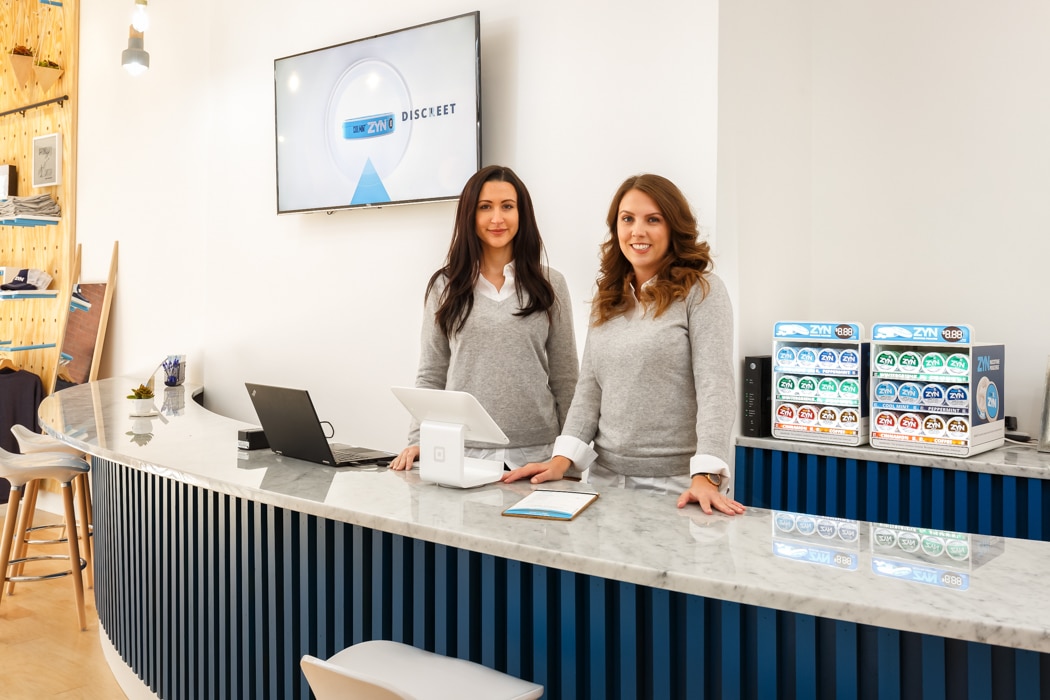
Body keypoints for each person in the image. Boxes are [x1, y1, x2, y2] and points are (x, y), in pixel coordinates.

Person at [502, 174, 744, 516]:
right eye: (627, 219)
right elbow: (588, 390)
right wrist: (561, 459)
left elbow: (715, 388)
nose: (637, 231)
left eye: (653, 219)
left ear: (674, 227)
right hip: (605, 480)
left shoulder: (702, 291)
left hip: (678, 484)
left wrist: (706, 474)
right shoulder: (608, 297)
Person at [390, 165, 578, 471]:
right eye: (485, 207)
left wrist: (569, 457)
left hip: (538, 454)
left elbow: (567, 378)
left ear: (522, 214)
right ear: (470, 215)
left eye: (507, 207)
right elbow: (431, 374)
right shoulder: (445, 286)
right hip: (461, 452)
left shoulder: (550, 284)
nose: (497, 218)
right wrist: (418, 439)